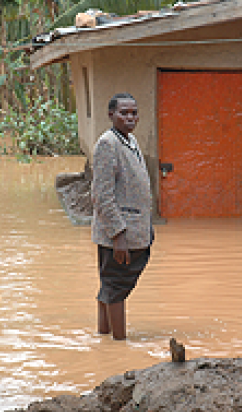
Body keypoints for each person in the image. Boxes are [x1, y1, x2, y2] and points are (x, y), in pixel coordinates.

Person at [91, 93, 154, 341]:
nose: (130, 117)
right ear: (111, 115)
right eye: (124, 113)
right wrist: (118, 235)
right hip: (118, 235)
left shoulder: (129, 140)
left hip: (134, 230)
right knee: (115, 288)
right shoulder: (108, 144)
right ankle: (119, 344)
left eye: (133, 113)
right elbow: (101, 194)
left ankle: (104, 336)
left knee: (110, 287)